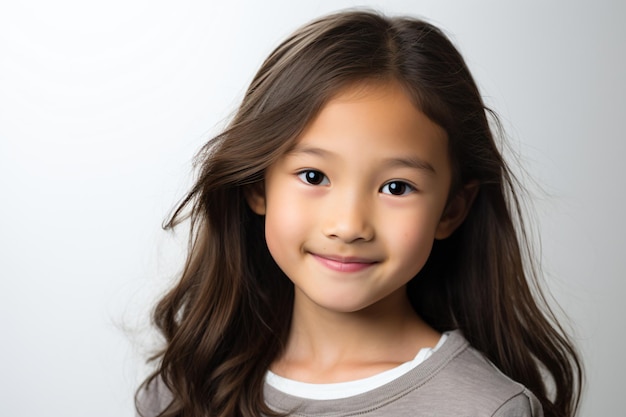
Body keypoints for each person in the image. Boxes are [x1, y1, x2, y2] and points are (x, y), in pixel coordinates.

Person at [136, 9, 583, 417]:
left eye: (396, 187)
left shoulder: (486, 410)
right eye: (313, 177)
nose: (349, 225)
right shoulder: (185, 388)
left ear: (451, 209)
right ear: (258, 187)